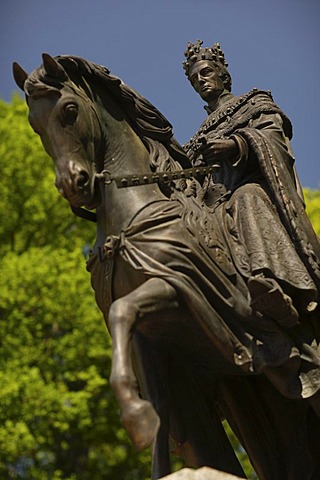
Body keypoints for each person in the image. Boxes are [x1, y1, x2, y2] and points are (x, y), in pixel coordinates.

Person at [183, 40, 320, 332]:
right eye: (195, 79)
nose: (201, 81)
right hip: (213, 209)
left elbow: (275, 142)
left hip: (253, 193)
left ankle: (270, 282)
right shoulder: (194, 141)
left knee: (247, 196)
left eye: (206, 72)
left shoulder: (254, 103)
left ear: (223, 74)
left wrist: (235, 145)